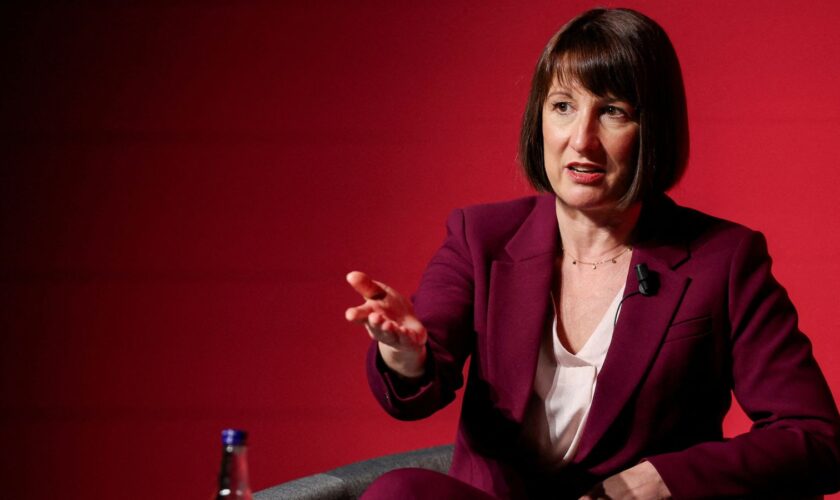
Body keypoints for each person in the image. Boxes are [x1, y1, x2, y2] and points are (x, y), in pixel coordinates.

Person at [344, 8, 840, 499]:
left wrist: (661, 481)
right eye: (563, 106)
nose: (581, 140)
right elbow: (418, 387)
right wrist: (406, 355)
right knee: (400, 491)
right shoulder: (481, 236)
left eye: (612, 111)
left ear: (653, 128)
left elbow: (816, 440)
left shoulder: (725, 260)